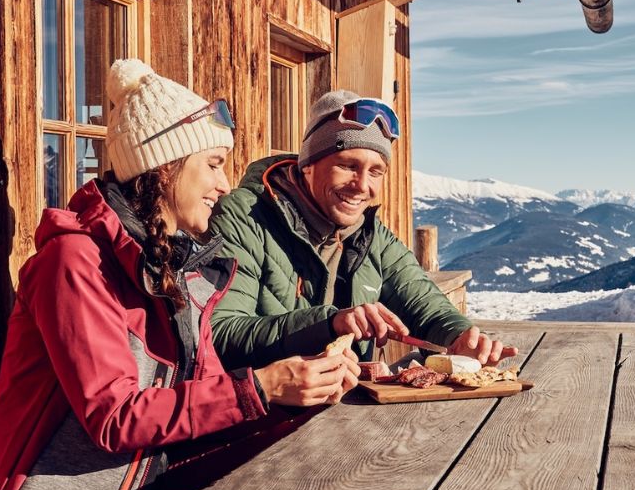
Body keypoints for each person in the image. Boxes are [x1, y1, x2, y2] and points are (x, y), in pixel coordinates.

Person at [0, 60, 358, 490]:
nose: (226, 185)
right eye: (215, 164)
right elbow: (114, 419)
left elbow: (200, 415)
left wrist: (300, 397)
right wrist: (262, 386)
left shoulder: (175, 272)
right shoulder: (74, 263)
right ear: (166, 167)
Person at [210, 90, 515, 371]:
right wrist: (329, 325)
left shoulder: (369, 234)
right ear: (308, 164)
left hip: (346, 414)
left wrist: (460, 336)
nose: (362, 186)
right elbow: (220, 335)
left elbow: (423, 303)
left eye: (375, 171)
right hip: (263, 417)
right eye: (347, 166)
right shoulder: (245, 217)